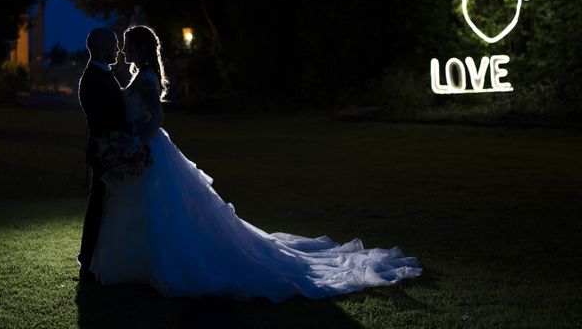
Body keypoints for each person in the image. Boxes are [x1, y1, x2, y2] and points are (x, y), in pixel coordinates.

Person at [89, 25, 421, 301]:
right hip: (139, 147)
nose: (124, 50)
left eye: (129, 45)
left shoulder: (146, 78)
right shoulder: (139, 76)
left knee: (163, 209)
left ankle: (160, 264)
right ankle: (141, 265)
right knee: (147, 207)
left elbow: (156, 117)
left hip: (148, 148)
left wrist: (136, 143)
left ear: (141, 48)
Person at [77, 28, 131, 282]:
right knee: (99, 205)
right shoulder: (92, 79)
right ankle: (88, 259)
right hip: (105, 151)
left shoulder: (104, 75)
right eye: (113, 44)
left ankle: (101, 256)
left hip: (112, 149)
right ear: (99, 48)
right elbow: (102, 120)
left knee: (106, 205)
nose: (118, 49)